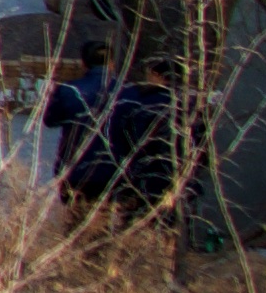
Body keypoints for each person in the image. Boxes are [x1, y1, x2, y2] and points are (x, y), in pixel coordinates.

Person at [46, 47, 176, 214]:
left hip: (75, 169)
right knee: (104, 224)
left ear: (83, 64)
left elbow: (50, 120)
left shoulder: (68, 90)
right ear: (112, 64)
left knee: (74, 223)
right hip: (114, 171)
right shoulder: (129, 93)